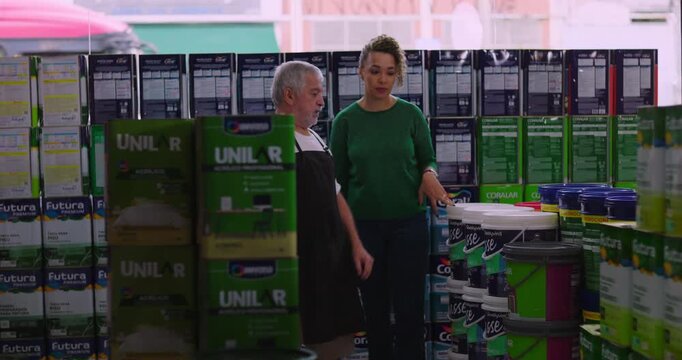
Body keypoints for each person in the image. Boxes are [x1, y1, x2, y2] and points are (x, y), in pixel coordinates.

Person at [329, 35, 453, 360]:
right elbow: (337, 184)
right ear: (360, 71)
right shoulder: (344, 123)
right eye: (374, 71)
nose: (382, 79)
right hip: (364, 230)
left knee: (410, 314)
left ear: (397, 74)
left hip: (409, 225)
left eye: (388, 72)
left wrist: (428, 173)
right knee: (375, 316)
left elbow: (428, 158)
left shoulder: (411, 115)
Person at [271, 60, 374, 360]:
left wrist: (356, 245)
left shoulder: (314, 137)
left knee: (340, 339)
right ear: (290, 96)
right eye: (315, 93)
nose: (321, 101)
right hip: (304, 262)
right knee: (308, 340)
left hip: (333, 258)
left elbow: (336, 194)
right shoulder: (275, 140)